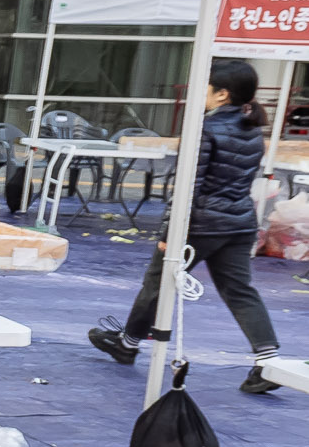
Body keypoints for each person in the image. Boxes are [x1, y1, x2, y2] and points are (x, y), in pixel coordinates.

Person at [90, 58, 284, 391]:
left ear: (222, 94)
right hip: (238, 224)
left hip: (201, 225)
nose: (200, 92)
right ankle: (267, 363)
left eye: (205, 86)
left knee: (157, 283)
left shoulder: (204, 129)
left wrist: (170, 234)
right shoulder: (253, 129)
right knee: (240, 291)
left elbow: (188, 187)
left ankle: (127, 344)